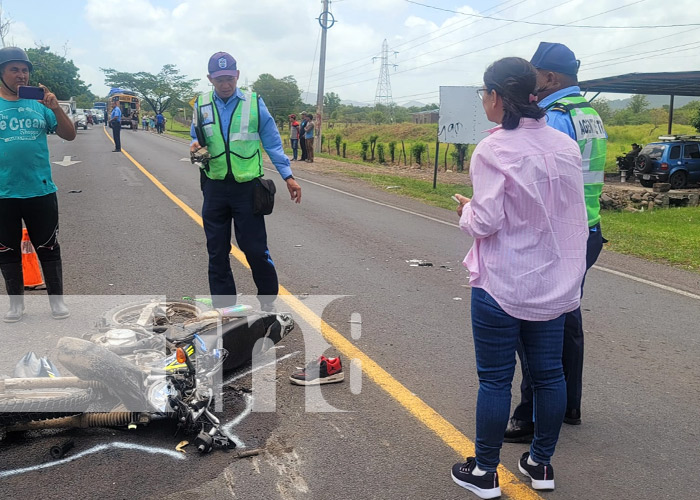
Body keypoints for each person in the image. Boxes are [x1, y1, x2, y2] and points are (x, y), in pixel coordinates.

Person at [450, 57, 588, 498]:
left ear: (494, 96)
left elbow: (486, 221)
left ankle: (485, 471)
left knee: (494, 379)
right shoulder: (564, 146)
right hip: (553, 282)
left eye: (483, 94)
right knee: (549, 375)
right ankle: (541, 464)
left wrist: (465, 210)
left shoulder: (493, 149)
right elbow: (571, 215)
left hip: (503, 283)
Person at [504, 42, 608, 444]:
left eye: (534, 73)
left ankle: (530, 415)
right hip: (589, 231)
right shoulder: (588, 114)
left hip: (558, 237)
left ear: (549, 78)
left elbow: (538, 187)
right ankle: (568, 405)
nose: (531, 80)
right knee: (567, 321)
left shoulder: (556, 119)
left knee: (535, 324)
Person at [190, 51, 302, 310]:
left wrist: (289, 176)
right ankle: (225, 310)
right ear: (210, 79)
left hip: (247, 188)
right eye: (219, 80)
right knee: (217, 252)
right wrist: (193, 146)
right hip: (214, 186)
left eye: (229, 78)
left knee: (254, 250)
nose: (225, 84)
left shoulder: (254, 102)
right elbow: (195, 137)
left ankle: (268, 305)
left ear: (237, 75)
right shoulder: (201, 104)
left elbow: (273, 141)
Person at [0, 47, 77, 322]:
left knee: (48, 246)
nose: (21, 75)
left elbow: (69, 136)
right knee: (6, 249)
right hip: (3, 193)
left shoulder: (40, 104)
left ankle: (57, 302)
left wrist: (55, 108)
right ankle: (16, 305)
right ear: (2, 73)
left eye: (25, 70)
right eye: (14, 69)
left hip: (40, 189)